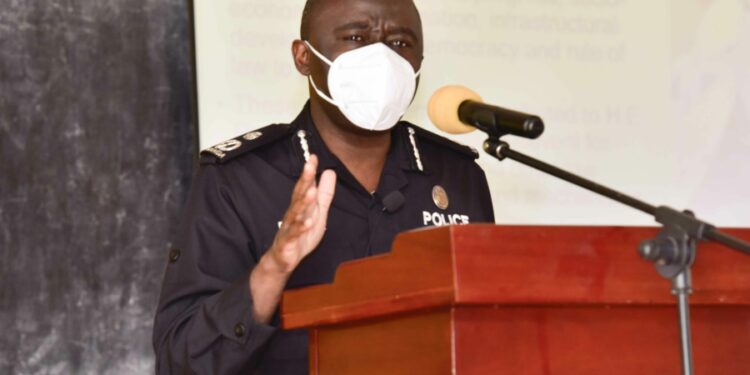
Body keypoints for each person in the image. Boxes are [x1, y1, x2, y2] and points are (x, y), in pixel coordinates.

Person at [152, 0, 494, 373]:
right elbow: (181, 359)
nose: (380, 58)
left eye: (399, 43)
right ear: (303, 56)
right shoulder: (239, 179)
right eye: (355, 37)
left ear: (419, 65)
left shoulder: (458, 176)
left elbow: (488, 331)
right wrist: (274, 267)